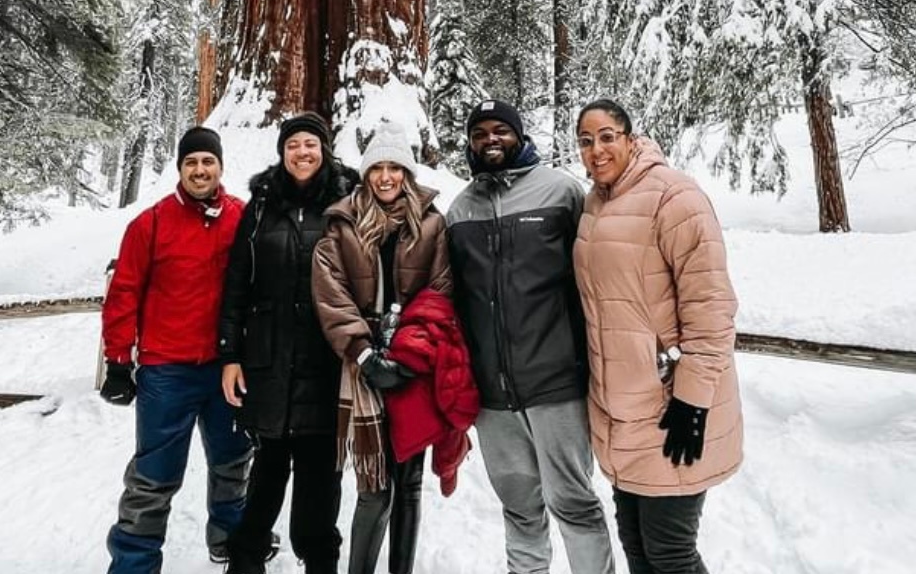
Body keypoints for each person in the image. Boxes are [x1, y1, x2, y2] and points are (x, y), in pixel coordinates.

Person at [573, 99, 743, 574]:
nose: (597, 149)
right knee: (636, 545)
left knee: (670, 551)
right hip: (621, 410)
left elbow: (711, 309)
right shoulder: (593, 204)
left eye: (607, 136)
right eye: (586, 141)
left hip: (672, 406)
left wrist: (692, 401)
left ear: (630, 138)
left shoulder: (675, 197)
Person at [445, 99, 615, 574]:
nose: (490, 139)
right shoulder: (460, 210)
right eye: (480, 133)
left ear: (519, 135)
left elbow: (598, 276)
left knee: (574, 502)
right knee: (519, 509)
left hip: (556, 384)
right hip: (493, 397)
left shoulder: (562, 192)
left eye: (501, 130)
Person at [101, 126, 252, 574]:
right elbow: (124, 293)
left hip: (226, 369)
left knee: (233, 461)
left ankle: (229, 537)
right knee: (154, 473)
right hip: (167, 371)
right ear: (180, 169)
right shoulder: (150, 223)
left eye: (208, 161)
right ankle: (134, 560)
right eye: (191, 162)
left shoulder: (242, 219)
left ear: (220, 167)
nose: (200, 169)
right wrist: (116, 360)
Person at [312, 121, 459, 574]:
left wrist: (413, 355)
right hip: (362, 365)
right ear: (366, 172)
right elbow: (330, 291)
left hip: (414, 359)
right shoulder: (342, 224)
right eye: (378, 167)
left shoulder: (432, 224)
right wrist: (362, 353)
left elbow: (441, 291)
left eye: (396, 167)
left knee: (410, 481)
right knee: (374, 485)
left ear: (408, 173)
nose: (387, 177)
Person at [218, 111, 358, 574]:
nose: (302, 152)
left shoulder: (348, 200)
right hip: (270, 362)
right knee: (266, 477)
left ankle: (320, 562)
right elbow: (237, 282)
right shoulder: (261, 206)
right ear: (282, 152)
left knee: (321, 482)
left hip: (326, 363)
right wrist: (230, 354)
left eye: (311, 144)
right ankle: (245, 561)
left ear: (325, 150)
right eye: (293, 144)